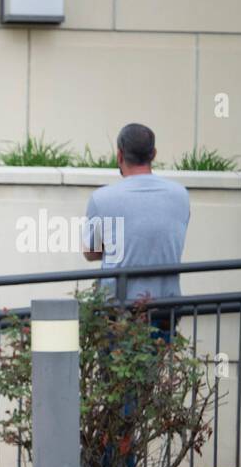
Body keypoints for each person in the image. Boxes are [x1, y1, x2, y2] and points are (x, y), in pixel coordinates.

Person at [81, 122, 189, 336]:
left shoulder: (101, 198)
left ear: (119, 155)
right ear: (154, 154)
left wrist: (116, 244)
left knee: (114, 369)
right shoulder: (180, 195)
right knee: (157, 369)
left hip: (117, 310)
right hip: (165, 306)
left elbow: (90, 252)